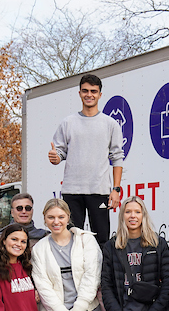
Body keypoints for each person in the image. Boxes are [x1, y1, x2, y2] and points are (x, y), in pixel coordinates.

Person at [47, 73, 124, 242]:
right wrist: (55, 157)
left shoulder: (110, 124)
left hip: (99, 190)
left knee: (102, 240)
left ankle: (101, 270)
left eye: (93, 91)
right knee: (70, 239)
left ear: (100, 95)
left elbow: (117, 158)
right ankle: (73, 270)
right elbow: (59, 152)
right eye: (85, 91)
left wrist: (116, 189)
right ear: (79, 93)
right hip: (72, 191)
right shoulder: (68, 123)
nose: (89, 95)